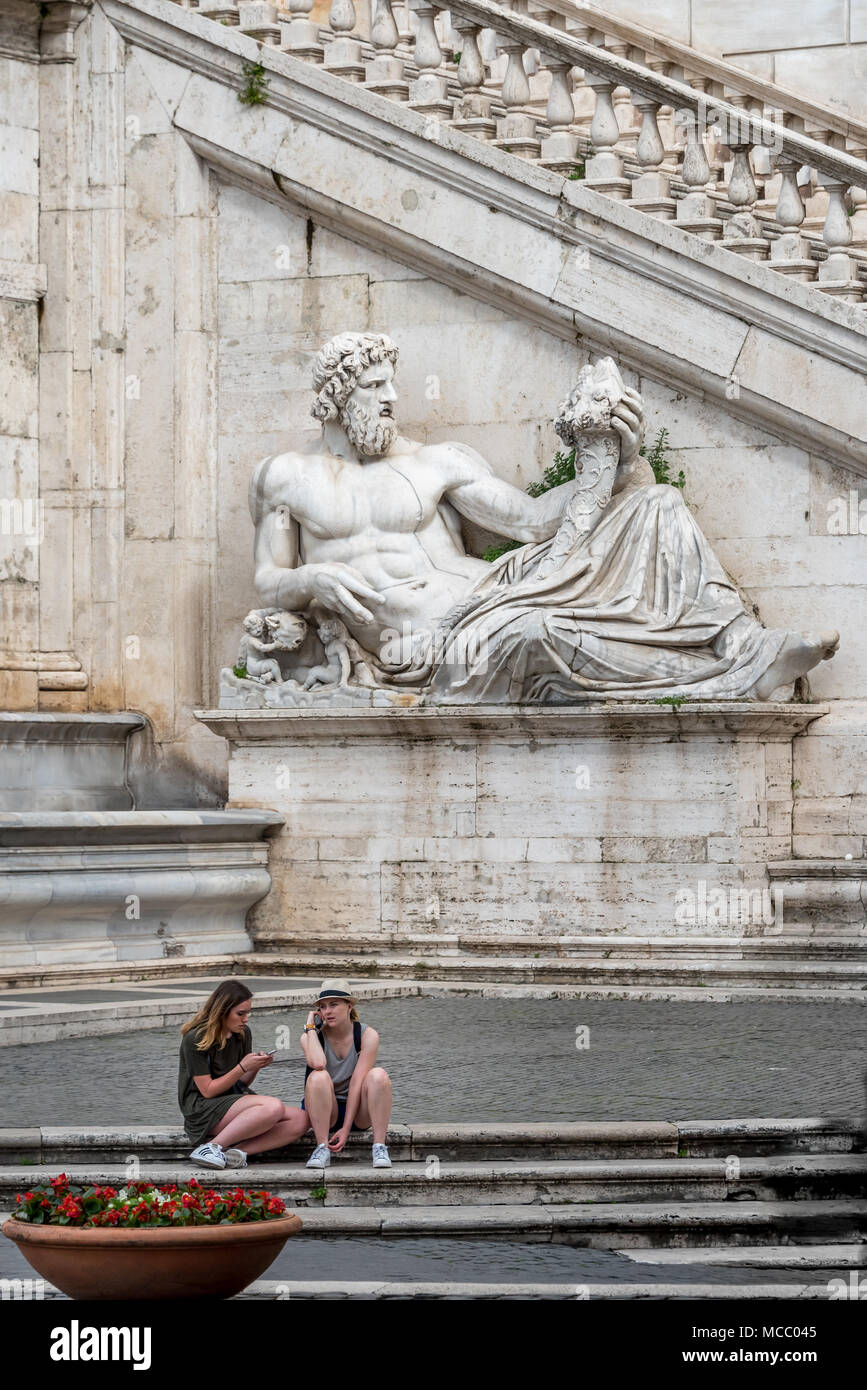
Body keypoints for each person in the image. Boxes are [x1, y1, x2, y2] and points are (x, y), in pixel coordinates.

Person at [179, 978, 309, 1170]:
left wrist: (254, 1066)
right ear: (222, 1011)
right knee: (272, 1106)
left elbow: (240, 1082)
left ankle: (237, 1153)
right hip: (201, 1109)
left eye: (248, 1013)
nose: (246, 1019)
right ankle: (210, 1147)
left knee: (301, 1119)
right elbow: (207, 1091)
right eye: (240, 1014)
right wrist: (242, 1066)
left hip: (230, 1103)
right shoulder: (196, 1039)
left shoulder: (242, 1034)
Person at [300, 979, 393, 1169]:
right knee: (319, 1076)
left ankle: (379, 1147)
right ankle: (322, 1148)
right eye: (323, 1007)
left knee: (378, 1075)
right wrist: (311, 1028)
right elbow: (318, 1063)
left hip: (358, 1110)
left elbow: (357, 1083)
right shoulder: (310, 1037)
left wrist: (346, 1128)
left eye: (334, 1005)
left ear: (349, 1006)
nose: (327, 1011)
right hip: (325, 1111)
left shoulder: (367, 1035)